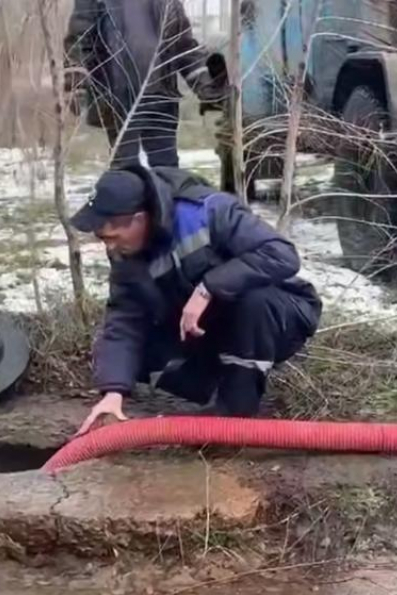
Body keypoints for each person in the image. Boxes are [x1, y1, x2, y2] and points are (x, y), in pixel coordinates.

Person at [70, 166, 322, 436]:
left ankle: (236, 412)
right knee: (123, 352)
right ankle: (214, 387)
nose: (109, 247)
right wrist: (113, 392)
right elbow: (124, 320)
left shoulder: (208, 210)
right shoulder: (126, 251)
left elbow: (282, 255)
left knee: (253, 302)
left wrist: (208, 288)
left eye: (112, 238)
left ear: (139, 219)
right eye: (103, 239)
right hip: (208, 327)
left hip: (281, 312)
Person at [64, 0, 226, 168]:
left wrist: (206, 85)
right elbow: (79, 42)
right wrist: (76, 87)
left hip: (161, 97)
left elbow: (184, 47)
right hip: (118, 99)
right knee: (126, 169)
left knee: (166, 169)